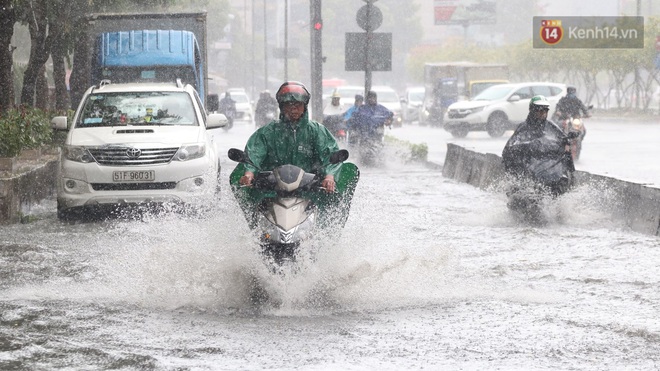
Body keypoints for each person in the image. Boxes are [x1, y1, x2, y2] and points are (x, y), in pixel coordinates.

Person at [238, 81, 341, 193]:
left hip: (310, 190)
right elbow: (254, 154)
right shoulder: (268, 132)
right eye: (289, 104)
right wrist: (249, 174)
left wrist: (329, 177)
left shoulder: (317, 131)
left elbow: (330, 156)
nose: (293, 109)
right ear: (282, 106)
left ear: (304, 107)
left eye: (298, 104)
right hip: (272, 190)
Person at [502, 95, 574, 194]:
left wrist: (566, 142)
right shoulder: (523, 128)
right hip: (528, 169)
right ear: (532, 110)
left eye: (545, 111)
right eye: (540, 111)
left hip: (548, 170)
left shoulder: (551, 127)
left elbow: (563, 140)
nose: (543, 114)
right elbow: (509, 149)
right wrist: (527, 147)